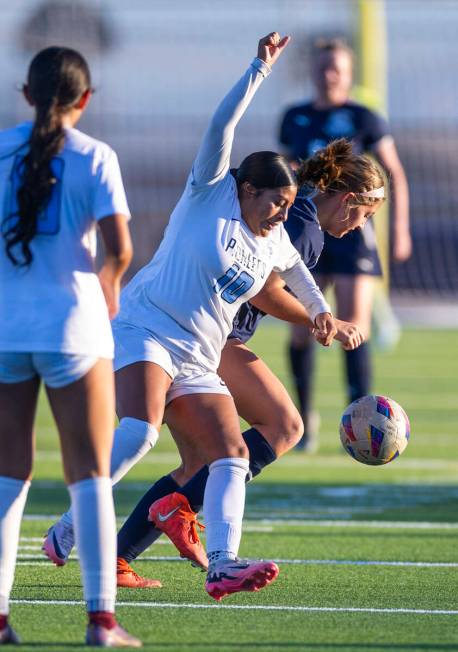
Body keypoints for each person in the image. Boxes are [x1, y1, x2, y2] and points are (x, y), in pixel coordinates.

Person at [43, 32, 338, 602]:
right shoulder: (209, 191)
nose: (282, 213)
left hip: (200, 354)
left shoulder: (272, 239)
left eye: (288, 203)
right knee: (139, 431)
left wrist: (323, 312)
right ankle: (71, 525)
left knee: (231, 455)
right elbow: (222, 126)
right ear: (246, 188)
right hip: (146, 325)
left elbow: (298, 271)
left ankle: (223, 564)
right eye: (275, 201)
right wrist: (258, 67)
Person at [44, 139, 386, 589]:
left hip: (209, 338)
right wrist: (323, 319)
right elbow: (264, 290)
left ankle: (134, 548)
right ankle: (149, 516)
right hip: (208, 337)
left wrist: (321, 309)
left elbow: (287, 276)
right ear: (347, 201)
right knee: (282, 426)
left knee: (206, 460)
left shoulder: (296, 222)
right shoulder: (301, 224)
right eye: (367, 215)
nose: (363, 225)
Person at [0, 47, 140, 647]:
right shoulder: (95, 156)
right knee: (89, 474)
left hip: (6, 329)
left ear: (26, 94)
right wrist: (108, 286)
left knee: (7, 476)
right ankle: (100, 621)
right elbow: (121, 247)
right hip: (73, 332)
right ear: (85, 100)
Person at [279, 38, 411, 451]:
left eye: (336, 67)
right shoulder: (295, 117)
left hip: (354, 235)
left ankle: (361, 418)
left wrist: (400, 229)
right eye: (323, 67)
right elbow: (284, 175)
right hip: (309, 230)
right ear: (313, 72)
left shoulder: (363, 117)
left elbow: (394, 173)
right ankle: (305, 420)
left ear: (349, 73)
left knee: (354, 326)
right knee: (302, 328)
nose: (329, 74)